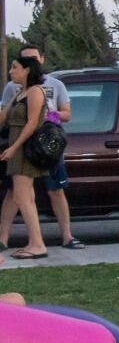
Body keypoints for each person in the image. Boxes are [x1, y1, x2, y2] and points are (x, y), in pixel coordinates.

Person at [0, 42, 82, 251]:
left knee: (55, 190)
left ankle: (66, 236)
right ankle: (4, 238)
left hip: (46, 143)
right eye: (24, 58)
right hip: (21, 146)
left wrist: (46, 115)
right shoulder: (13, 87)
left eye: (33, 58)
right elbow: (5, 116)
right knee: (16, 193)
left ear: (40, 60)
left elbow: (66, 115)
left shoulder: (55, 85)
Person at [1, 56, 51, 259]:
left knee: (22, 197)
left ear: (27, 70)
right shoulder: (19, 92)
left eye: (15, 67)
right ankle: (34, 242)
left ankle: (38, 244)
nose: (11, 71)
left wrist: (14, 147)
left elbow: (32, 123)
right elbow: (4, 116)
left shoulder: (36, 91)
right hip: (17, 148)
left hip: (25, 149)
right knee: (26, 196)